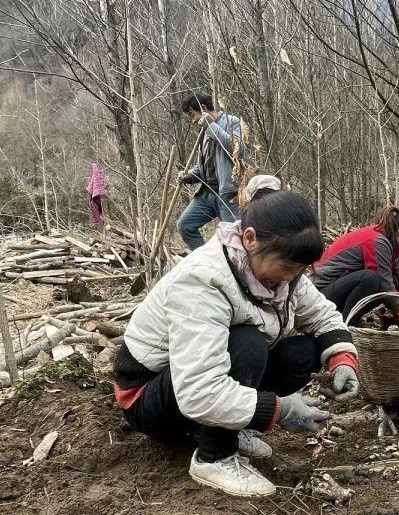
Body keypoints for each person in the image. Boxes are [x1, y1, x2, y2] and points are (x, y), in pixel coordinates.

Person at [114, 190, 361, 497]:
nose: (289, 278)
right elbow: (198, 390)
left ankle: (230, 425)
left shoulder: (286, 276)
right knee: (248, 343)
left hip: (192, 384)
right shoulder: (204, 279)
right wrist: (280, 409)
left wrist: (342, 359)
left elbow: (323, 315)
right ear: (249, 238)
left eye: (297, 270)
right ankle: (214, 456)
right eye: (285, 266)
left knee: (305, 351)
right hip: (147, 394)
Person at [311, 206, 399, 326]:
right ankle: (346, 324)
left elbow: (397, 272)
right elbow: (383, 280)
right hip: (319, 295)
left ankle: (348, 319)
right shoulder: (378, 241)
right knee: (372, 278)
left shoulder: (387, 238)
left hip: (335, 288)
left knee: (392, 279)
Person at [176, 93, 244, 250]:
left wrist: (211, 126)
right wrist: (189, 176)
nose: (193, 120)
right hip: (207, 194)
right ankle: (206, 263)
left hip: (228, 193)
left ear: (204, 108)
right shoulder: (203, 130)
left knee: (233, 241)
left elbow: (238, 151)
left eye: (193, 115)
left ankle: (233, 271)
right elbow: (205, 166)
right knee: (185, 225)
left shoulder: (231, 121)